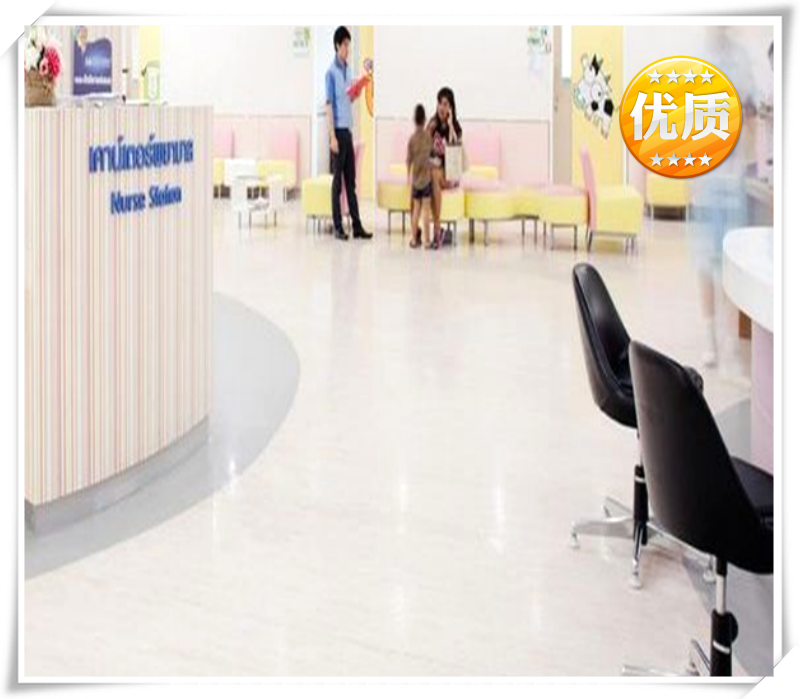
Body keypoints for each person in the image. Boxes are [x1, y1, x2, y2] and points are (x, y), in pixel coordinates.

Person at [689, 27, 757, 367]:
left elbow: (750, 116)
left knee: (731, 262)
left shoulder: (740, 60)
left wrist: (746, 163)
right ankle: (709, 338)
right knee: (705, 261)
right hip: (705, 177)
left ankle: (731, 339)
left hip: (732, 178)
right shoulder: (698, 61)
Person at [325, 26, 372, 242]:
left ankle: (357, 225)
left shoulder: (347, 69)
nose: (347, 49)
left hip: (348, 131)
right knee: (337, 183)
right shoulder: (331, 73)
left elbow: (347, 99)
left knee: (351, 182)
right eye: (345, 45)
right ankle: (338, 226)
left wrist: (357, 91)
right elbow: (329, 105)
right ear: (337, 45)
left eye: (349, 45)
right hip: (337, 132)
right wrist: (332, 136)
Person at [427, 87, 463, 246]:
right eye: (440, 103)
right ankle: (437, 231)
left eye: (445, 104)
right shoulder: (433, 124)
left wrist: (451, 126)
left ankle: (437, 231)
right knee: (432, 174)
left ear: (451, 108)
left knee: (434, 175)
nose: (442, 107)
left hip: (450, 174)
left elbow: (454, 151)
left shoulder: (456, 127)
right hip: (435, 172)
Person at [406, 104, 435, 250]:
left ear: (414, 120)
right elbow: (432, 156)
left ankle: (413, 239)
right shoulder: (428, 138)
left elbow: (408, 161)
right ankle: (427, 241)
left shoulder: (412, 139)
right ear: (424, 120)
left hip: (416, 181)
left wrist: (408, 178)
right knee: (426, 212)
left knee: (416, 211)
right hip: (426, 180)